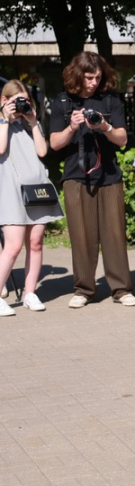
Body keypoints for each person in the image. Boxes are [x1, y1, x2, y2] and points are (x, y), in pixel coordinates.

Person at [48, 51, 135, 308]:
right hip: (76, 177)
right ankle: (84, 289)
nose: (93, 82)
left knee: (114, 234)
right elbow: (54, 143)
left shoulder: (109, 101)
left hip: (109, 176)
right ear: (77, 75)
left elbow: (122, 139)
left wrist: (104, 127)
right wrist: (72, 127)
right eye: (89, 77)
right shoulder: (63, 102)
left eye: (97, 77)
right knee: (81, 235)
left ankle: (121, 289)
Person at [0, 79, 64, 316]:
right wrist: (4, 119)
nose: (22, 105)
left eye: (26, 101)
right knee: (13, 245)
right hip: (10, 190)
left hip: (37, 189)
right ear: (5, 101)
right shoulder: (0, 120)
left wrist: (34, 121)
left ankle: (30, 293)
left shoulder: (29, 124)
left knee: (35, 243)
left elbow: (42, 151)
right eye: (18, 101)